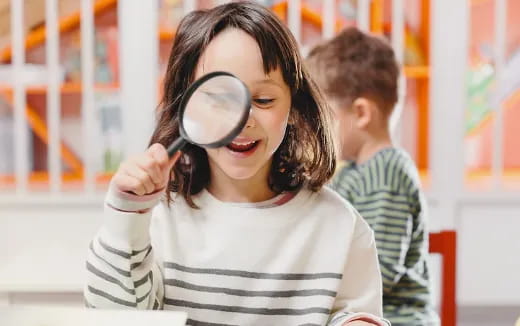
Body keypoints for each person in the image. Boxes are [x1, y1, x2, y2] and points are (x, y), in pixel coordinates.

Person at [85, 3, 389, 326]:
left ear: (294, 107)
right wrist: (127, 219)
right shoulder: (160, 219)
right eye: (219, 97)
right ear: (186, 105)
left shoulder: (340, 228)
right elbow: (115, 318)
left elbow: (357, 312)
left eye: (264, 100)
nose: (242, 118)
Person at [307, 27, 439, 325]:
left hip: (395, 318)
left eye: (322, 115)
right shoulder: (352, 172)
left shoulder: (387, 171)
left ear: (362, 113)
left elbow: (382, 272)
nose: (315, 127)